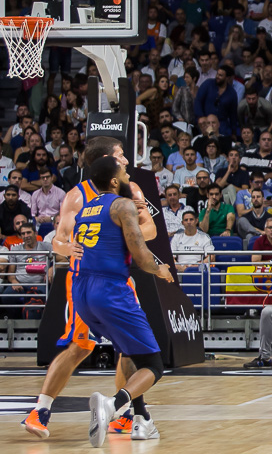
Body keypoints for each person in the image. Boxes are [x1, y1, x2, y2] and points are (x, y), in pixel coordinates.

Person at [22, 137, 157, 439]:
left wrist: (123, 229)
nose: (126, 161)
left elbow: (150, 228)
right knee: (80, 345)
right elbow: (57, 241)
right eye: (121, 155)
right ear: (108, 160)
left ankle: (122, 415)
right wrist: (67, 248)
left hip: (116, 278)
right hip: (84, 278)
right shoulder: (75, 196)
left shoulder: (130, 189)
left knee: (129, 348)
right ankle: (40, 409)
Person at [70, 156, 173, 447]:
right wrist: (161, 268)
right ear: (114, 180)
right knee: (154, 365)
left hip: (82, 291)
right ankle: (113, 406)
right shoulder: (122, 205)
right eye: (124, 171)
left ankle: (142, 420)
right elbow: (141, 256)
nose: (128, 173)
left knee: (130, 353)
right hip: (110, 290)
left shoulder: (86, 209)